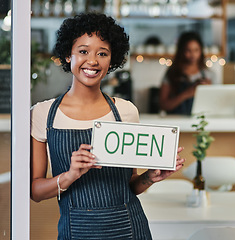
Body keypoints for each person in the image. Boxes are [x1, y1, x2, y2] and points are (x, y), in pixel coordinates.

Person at [30, 13, 185, 239]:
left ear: (112, 60)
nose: (92, 61)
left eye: (102, 53)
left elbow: (129, 186)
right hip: (76, 231)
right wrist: (70, 175)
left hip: (130, 229)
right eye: (83, 51)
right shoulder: (43, 114)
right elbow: (35, 192)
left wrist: (149, 177)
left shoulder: (126, 111)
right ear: (67, 55)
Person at [159, 31, 213, 115]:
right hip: (176, 121)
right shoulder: (171, 73)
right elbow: (163, 105)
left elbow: (213, 105)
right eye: (188, 50)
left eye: (196, 50)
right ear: (181, 51)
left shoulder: (208, 75)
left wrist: (209, 91)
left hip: (199, 120)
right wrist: (186, 94)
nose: (192, 55)